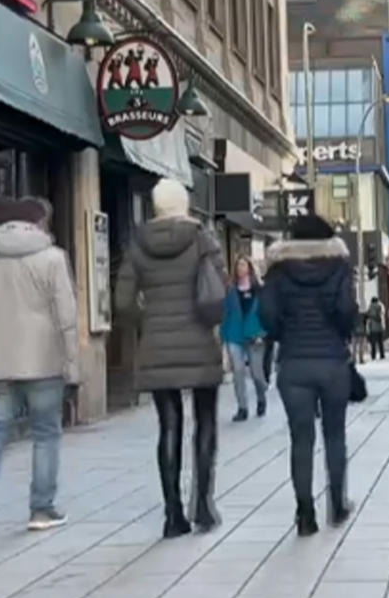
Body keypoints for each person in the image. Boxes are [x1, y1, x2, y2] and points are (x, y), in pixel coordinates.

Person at [0, 196, 79, 533]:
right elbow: (67, 316)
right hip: (44, 362)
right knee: (46, 433)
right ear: (39, 223)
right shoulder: (53, 258)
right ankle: (41, 510)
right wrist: (73, 365)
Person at [115, 179, 228, 538]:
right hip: (200, 344)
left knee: (168, 426)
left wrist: (146, 322)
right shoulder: (202, 239)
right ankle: (204, 506)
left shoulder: (138, 245)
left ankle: (173, 515)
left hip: (157, 346)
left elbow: (121, 302)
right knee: (206, 422)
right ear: (184, 205)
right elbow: (218, 292)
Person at [260, 213, 358, 536]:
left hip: (294, 364)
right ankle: (337, 503)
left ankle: (304, 513)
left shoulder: (278, 271)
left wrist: (284, 334)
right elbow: (346, 311)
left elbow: (267, 316)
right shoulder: (338, 267)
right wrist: (342, 332)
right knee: (335, 435)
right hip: (332, 362)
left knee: (301, 439)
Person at [221, 256, 269, 422]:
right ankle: (242, 407)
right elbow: (225, 314)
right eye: (238, 265)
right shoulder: (231, 290)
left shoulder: (259, 289)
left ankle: (261, 398)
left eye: (243, 265)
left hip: (255, 336)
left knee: (256, 374)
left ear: (249, 267)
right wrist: (224, 338)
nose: (240, 268)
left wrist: (263, 333)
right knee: (238, 372)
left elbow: (266, 313)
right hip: (234, 335)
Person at [362, 296, 387, 362]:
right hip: (380, 326)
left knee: (373, 343)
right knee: (380, 342)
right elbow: (382, 315)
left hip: (373, 327)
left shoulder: (370, 307)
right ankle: (382, 355)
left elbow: (367, 315)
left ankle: (373, 355)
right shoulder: (380, 306)